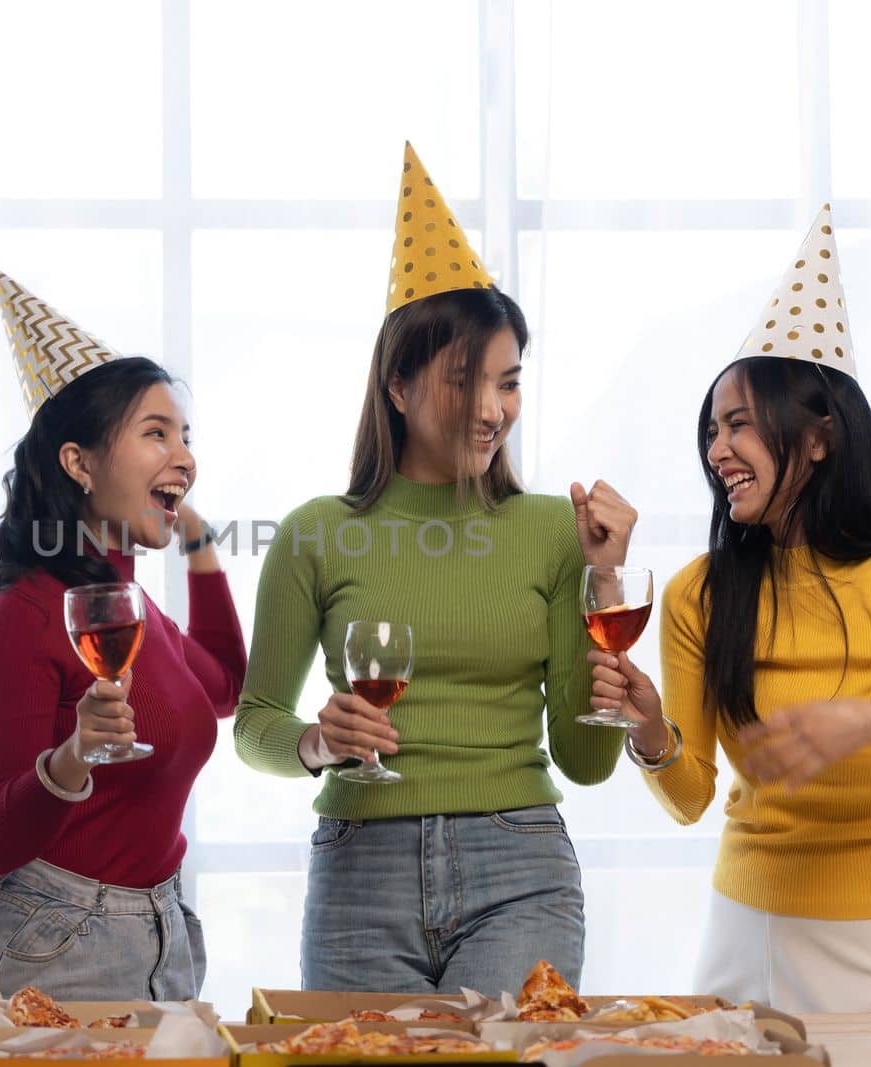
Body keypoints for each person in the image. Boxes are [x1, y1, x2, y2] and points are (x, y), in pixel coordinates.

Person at [589, 207, 871, 1012]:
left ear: (819, 436)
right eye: (712, 431)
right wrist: (649, 731)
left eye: (740, 425)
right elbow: (690, 796)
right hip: (739, 931)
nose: (717, 451)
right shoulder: (699, 591)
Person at [233, 143, 636, 995]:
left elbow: (587, 761)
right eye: (466, 381)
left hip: (519, 866)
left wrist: (605, 580)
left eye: (509, 382)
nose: (494, 410)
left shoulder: (552, 533)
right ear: (400, 386)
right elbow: (254, 722)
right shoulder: (314, 533)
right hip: (359, 875)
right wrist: (317, 741)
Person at [0, 266, 245, 1020]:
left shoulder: (134, 615)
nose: (185, 456)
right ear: (79, 462)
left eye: (185, 436)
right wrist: (73, 756)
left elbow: (225, 688)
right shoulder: (29, 613)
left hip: (159, 946)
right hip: (47, 956)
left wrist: (199, 547)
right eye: (155, 433)